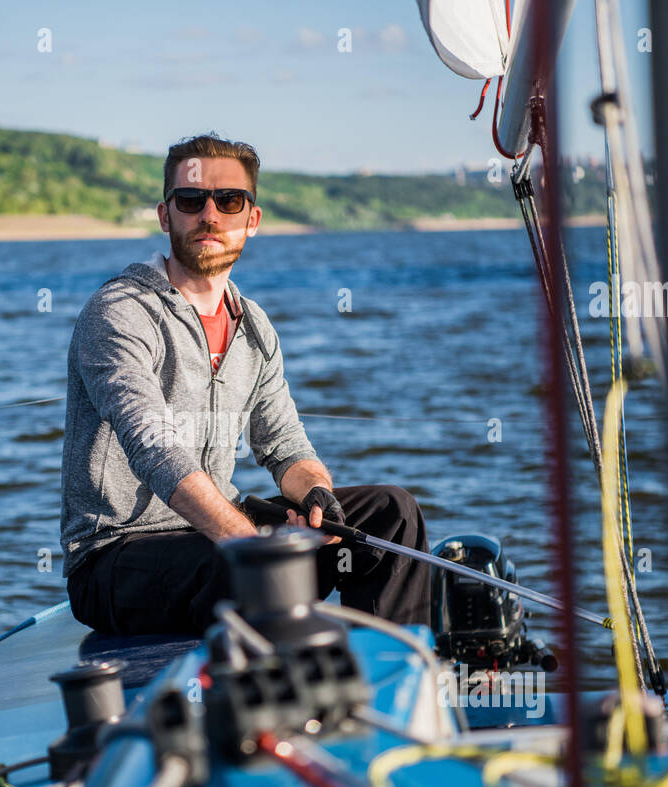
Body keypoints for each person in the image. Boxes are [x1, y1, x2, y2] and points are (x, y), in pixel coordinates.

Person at [60, 132, 432, 636]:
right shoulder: (120, 313)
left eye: (228, 200)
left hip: (215, 534)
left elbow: (283, 445)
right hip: (116, 558)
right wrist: (252, 541)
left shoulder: (252, 325)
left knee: (390, 516)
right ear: (165, 215)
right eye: (191, 200)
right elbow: (154, 448)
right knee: (253, 568)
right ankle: (282, 700)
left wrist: (318, 499)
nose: (209, 215)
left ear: (251, 220)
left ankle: (385, 682)